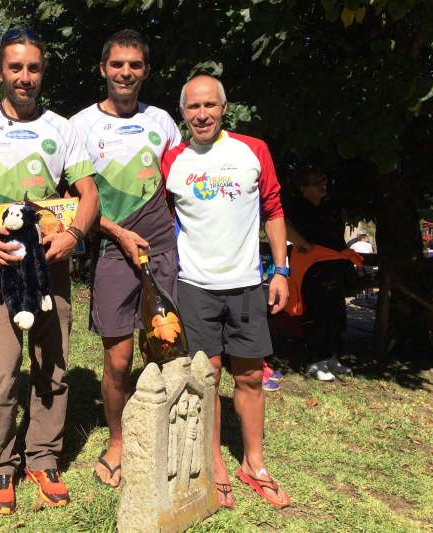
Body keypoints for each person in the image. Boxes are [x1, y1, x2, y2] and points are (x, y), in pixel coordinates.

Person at [0, 29, 99, 514]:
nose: (24, 76)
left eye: (33, 68)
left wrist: (73, 236)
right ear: (0, 71)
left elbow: (89, 196)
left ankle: (43, 456)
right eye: (15, 67)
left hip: (50, 266)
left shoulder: (63, 128)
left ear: (42, 73)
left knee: (52, 366)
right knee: (0, 371)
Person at [162, 74, 291, 510]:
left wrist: (282, 270)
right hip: (195, 286)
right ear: (183, 113)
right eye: (193, 107)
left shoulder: (252, 151)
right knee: (208, 379)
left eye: (209, 106)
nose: (202, 114)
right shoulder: (172, 160)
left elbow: (273, 209)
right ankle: (215, 462)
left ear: (223, 108)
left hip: (247, 285)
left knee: (251, 377)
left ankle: (254, 465)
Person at [69, 29, 181, 488]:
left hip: (162, 246)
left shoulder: (164, 123)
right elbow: (73, 201)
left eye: (135, 65)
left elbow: (181, 185)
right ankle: (117, 442)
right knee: (117, 359)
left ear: (146, 71)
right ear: (103, 69)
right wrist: (114, 230)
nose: (126, 72)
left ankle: (167, 434)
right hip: (113, 247)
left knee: (166, 349)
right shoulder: (78, 126)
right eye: (118, 64)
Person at [284, 165, 355, 381]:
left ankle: (332, 357)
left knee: (336, 312)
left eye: (324, 181)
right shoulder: (296, 206)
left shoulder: (331, 206)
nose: (323, 185)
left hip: (334, 264)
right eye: (317, 182)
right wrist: (302, 243)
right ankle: (315, 361)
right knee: (316, 312)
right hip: (311, 267)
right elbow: (283, 225)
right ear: (304, 187)